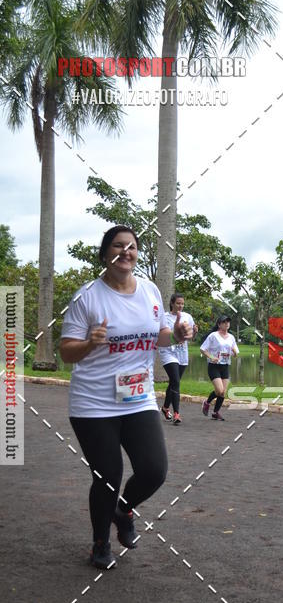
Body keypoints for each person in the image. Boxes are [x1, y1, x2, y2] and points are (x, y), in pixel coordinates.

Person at [59, 226, 193, 569]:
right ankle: (100, 544)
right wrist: (90, 343)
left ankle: (122, 510)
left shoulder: (148, 291)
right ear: (105, 253)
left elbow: (157, 335)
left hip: (138, 397)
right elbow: (66, 353)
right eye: (118, 246)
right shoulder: (87, 296)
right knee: (108, 474)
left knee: (154, 470)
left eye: (131, 247)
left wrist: (175, 334)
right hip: (93, 403)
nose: (126, 252)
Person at [159, 292, 197, 425]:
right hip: (167, 352)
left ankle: (164, 408)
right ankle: (176, 413)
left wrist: (194, 332)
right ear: (172, 303)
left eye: (182, 303)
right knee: (175, 381)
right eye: (178, 303)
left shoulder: (188, 317)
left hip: (182, 353)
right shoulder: (163, 317)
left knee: (174, 382)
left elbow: (191, 336)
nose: (180, 306)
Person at [201, 315, 239, 420]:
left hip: (225, 366)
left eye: (228, 322)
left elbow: (235, 353)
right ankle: (207, 402)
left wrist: (235, 353)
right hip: (214, 366)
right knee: (219, 389)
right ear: (219, 324)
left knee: (222, 393)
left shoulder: (231, 337)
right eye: (224, 322)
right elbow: (203, 349)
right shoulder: (213, 335)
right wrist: (211, 357)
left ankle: (215, 412)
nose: (227, 324)